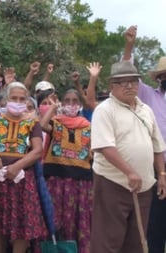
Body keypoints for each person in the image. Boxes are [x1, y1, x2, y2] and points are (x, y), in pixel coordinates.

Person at [90, 61, 166, 253]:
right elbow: (106, 147)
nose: (129, 86)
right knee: (108, 240)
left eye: (133, 81)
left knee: (136, 242)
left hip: (144, 186)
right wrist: (129, 172)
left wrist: (162, 175)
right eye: (122, 82)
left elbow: (157, 146)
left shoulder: (146, 110)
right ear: (112, 86)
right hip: (113, 183)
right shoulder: (105, 110)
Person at [0, 82, 47, 253]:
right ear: (7, 99)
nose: (18, 101)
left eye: (22, 99)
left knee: (22, 224)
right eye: (14, 98)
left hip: (22, 179)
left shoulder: (32, 122)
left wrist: (17, 166)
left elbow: (37, 150)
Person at [122, 25, 166, 253]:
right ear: (160, 77)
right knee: (155, 225)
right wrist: (129, 46)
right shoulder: (149, 95)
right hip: (156, 168)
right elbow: (127, 74)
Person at [40, 89, 93, 253]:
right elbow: (41, 125)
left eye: (74, 101)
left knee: (78, 221)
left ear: (80, 105)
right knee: (55, 220)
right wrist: (53, 107)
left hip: (81, 183)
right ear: (62, 103)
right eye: (67, 101)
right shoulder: (56, 123)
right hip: (56, 181)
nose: (71, 104)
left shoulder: (88, 126)